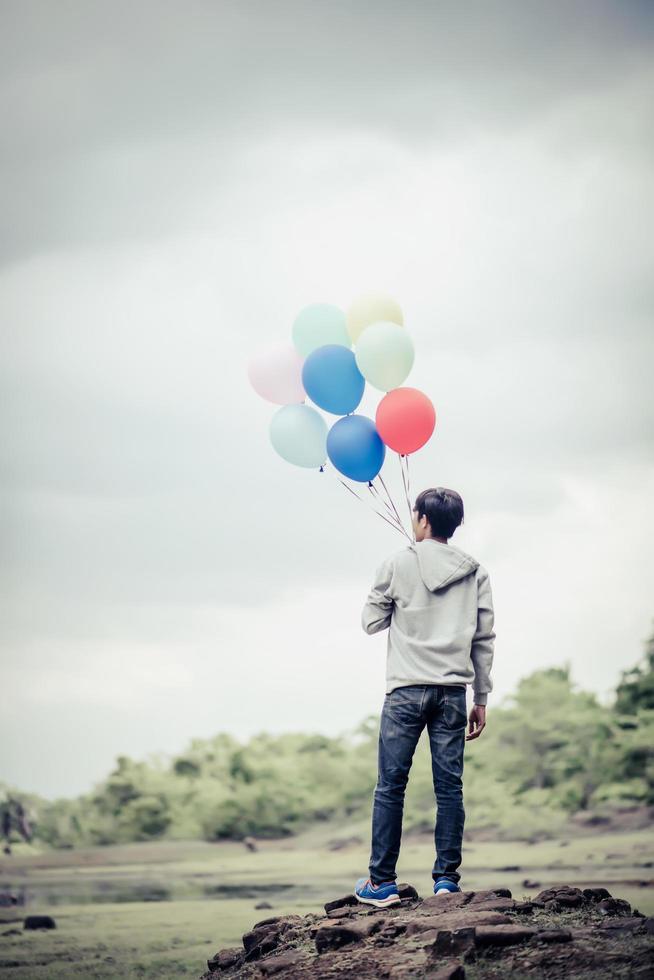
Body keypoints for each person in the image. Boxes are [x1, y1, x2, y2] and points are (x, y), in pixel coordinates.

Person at [354, 487, 495, 908]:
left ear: (422, 520)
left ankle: (381, 884)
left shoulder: (397, 563)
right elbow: (484, 637)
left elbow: (371, 622)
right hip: (453, 693)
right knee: (449, 788)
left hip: (404, 692)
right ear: (454, 524)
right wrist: (481, 696)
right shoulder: (475, 571)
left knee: (390, 787)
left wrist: (395, 592)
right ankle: (447, 881)